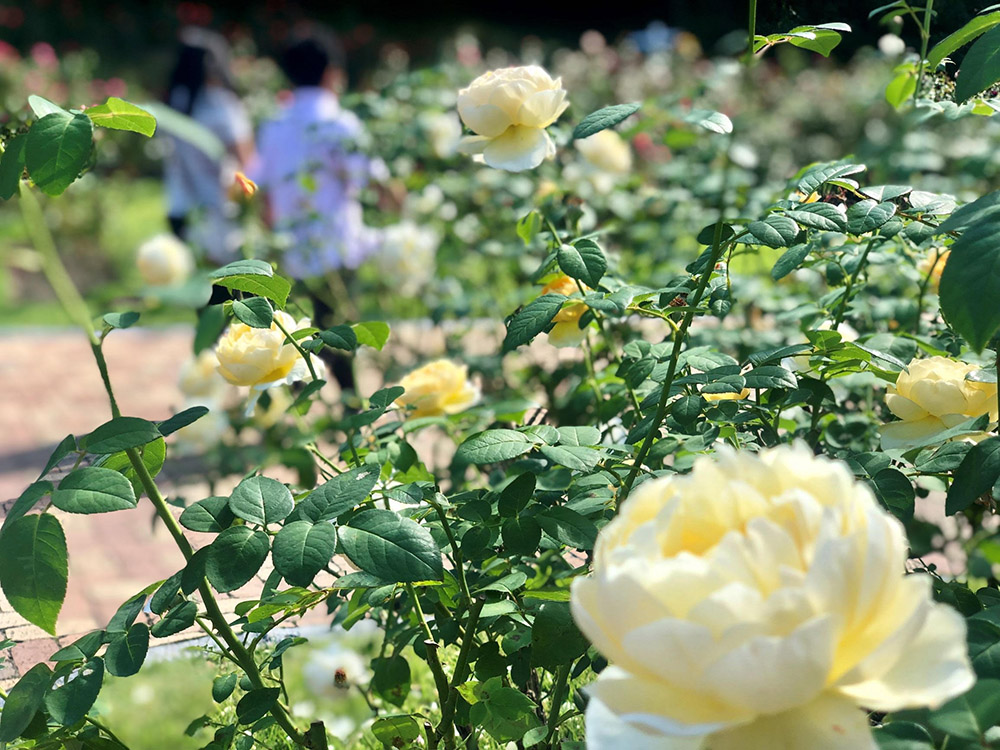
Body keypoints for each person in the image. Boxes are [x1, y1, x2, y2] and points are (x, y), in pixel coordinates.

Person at [250, 27, 385, 397]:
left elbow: (260, 189)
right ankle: (350, 407)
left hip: (293, 249)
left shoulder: (274, 124)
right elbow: (373, 182)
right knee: (339, 329)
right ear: (331, 72)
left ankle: (301, 404)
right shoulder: (340, 123)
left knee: (303, 329)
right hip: (338, 247)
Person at [163, 27, 253, 264]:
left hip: (179, 208)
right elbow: (247, 163)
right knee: (227, 295)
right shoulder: (222, 106)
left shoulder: (176, 102)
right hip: (217, 215)